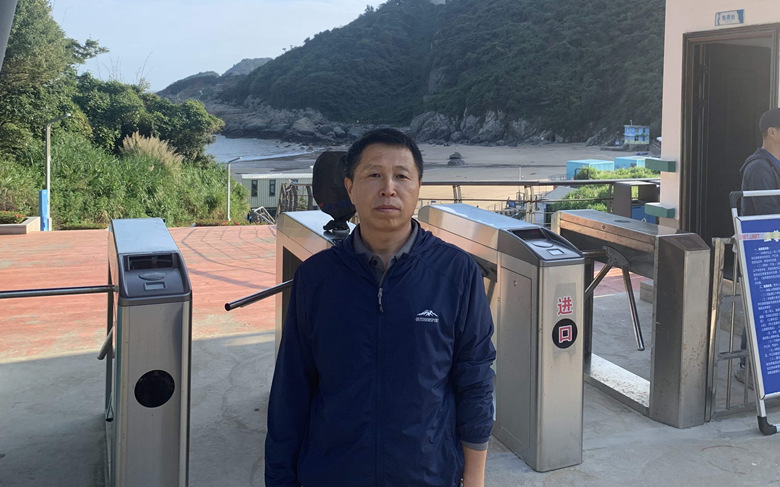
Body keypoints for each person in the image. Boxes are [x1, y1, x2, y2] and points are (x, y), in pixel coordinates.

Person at [265, 128, 496, 486]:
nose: (388, 188)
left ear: (418, 187)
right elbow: (290, 390)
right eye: (373, 175)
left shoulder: (456, 272)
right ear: (350, 188)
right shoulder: (317, 278)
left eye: (401, 176)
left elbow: (475, 380)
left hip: (427, 474)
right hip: (332, 474)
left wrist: (475, 477)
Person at [736, 107, 780, 386]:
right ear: (772, 132)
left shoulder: (774, 166)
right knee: (761, 310)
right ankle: (748, 368)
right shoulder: (759, 168)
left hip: (773, 251)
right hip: (763, 254)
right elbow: (769, 214)